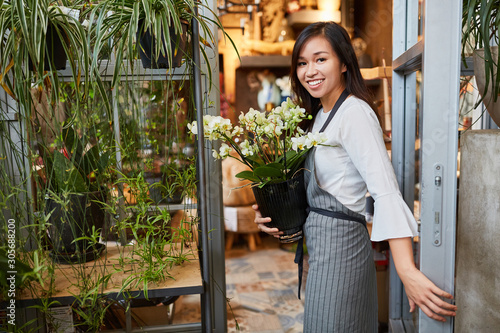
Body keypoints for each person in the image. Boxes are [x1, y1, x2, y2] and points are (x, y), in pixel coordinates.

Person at [253, 21, 457, 332]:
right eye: (302, 63)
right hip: (321, 251)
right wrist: (276, 216)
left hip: (342, 250)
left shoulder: (355, 114)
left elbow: (386, 191)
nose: (310, 71)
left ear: (345, 63)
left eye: (321, 59)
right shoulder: (320, 116)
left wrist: (406, 271)